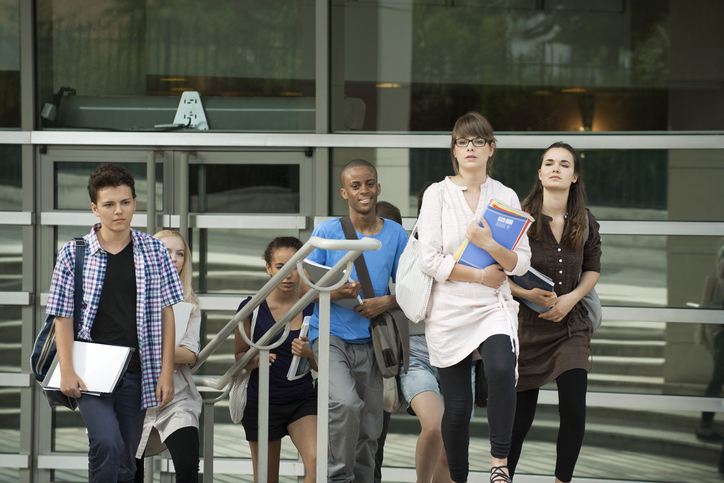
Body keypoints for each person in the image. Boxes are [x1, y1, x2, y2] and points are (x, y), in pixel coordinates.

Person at [46, 163, 184, 482]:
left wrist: (166, 373)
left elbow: (168, 314)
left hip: (137, 371)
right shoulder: (72, 253)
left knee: (127, 461)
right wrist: (66, 370)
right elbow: (62, 316)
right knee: (106, 441)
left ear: (135, 202)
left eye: (125, 202)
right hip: (90, 371)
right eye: (109, 204)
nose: (118, 211)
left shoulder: (154, 251)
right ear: (95, 208)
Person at [417, 111, 531, 483]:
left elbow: (521, 262)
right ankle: (460, 478)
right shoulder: (437, 194)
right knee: (458, 407)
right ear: (454, 149)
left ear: (490, 149)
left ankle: (500, 463)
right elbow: (429, 259)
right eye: (462, 142)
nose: (470, 148)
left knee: (501, 369)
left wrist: (489, 246)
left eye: (478, 141)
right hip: (449, 309)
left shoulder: (505, 195)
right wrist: (480, 274)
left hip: (492, 305)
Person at [301, 159, 408, 483]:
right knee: (345, 403)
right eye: (356, 186)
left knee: (371, 426)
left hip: (373, 340)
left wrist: (385, 301)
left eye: (370, 183)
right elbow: (306, 284)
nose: (365, 191)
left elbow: (411, 287)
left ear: (378, 187)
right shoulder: (327, 231)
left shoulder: (396, 234)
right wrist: (333, 293)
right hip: (330, 335)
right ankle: (338, 478)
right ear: (344, 192)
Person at [506, 142, 602, 483]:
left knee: (574, 410)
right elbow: (497, 273)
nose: (556, 168)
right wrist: (525, 293)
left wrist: (570, 299)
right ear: (540, 173)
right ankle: (504, 476)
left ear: (574, 176)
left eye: (564, 164)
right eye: (549, 163)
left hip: (570, 327)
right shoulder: (518, 219)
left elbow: (592, 269)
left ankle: (562, 480)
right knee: (519, 421)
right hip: (526, 329)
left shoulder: (585, 220)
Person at [234, 236, 319, 483]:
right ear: (269, 268)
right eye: (282, 267)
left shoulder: (313, 307)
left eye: (295, 266)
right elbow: (238, 358)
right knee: (266, 478)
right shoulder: (251, 308)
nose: (289, 274)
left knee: (317, 461)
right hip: (261, 401)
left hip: (301, 399)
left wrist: (310, 354)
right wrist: (255, 359)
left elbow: (322, 366)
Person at [134, 230, 203, 483]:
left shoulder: (189, 304)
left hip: (177, 397)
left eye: (180, 253)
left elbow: (189, 354)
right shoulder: (130, 295)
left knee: (187, 467)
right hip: (134, 397)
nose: (173, 258)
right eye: (167, 251)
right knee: (131, 472)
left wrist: (148, 348)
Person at [694, 243, 724, 444]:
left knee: (717, 378)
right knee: (717, 378)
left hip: (718, 333)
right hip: (720, 332)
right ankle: (705, 426)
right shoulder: (716, 278)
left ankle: (705, 426)